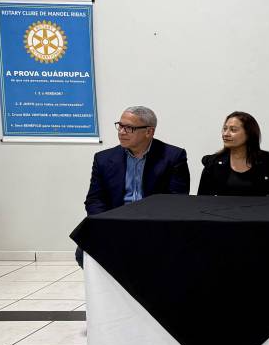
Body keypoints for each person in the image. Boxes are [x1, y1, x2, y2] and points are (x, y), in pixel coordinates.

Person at [80, 105, 190, 265]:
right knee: (83, 253)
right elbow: (94, 200)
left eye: (129, 128)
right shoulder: (103, 159)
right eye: (120, 126)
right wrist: (105, 225)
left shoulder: (173, 157)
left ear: (149, 132)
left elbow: (176, 201)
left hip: (155, 226)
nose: (121, 132)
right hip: (114, 225)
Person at [197, 111, 269, 196]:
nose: (226, 134)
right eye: (224, 129)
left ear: (249, 134)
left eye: (233, 130)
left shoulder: (268, 163)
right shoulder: (212, 163)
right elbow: (202, 201)